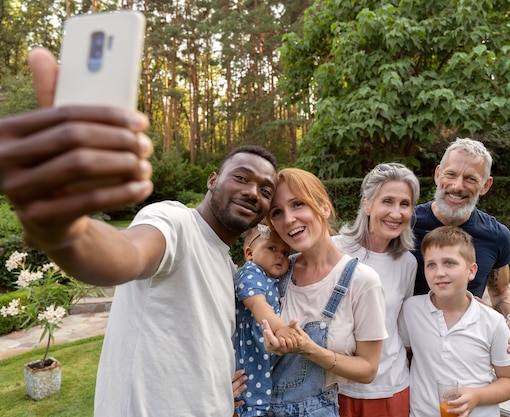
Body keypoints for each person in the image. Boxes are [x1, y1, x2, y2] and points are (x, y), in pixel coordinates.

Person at [0, 47, 278, 417]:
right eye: (241, 177)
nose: (252, 192)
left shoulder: (228, 269)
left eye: (265, 189)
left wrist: (217, 388)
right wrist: (66, 228)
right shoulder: (175, 222)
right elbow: (123, 255)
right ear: (213, 181)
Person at [261, 167, 388, 417]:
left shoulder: (362, 281)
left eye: (298, 204)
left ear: (324, 207)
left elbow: (368, 369)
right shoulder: (274, 274)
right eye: (277, 212)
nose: (288, 219)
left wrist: (310, 349)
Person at [411, 137, 510, 353]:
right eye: (451, 174)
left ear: (485, 185)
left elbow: (500, 290)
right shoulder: (406, 225)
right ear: (438, 175)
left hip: (465, 352)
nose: (457, 186)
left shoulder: (497, 236)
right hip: (407, 350)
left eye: (470, 179)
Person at [399, 226, 510, 417]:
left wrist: (476, 396)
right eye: (431, 265)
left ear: (471, 271)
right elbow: (406, 357)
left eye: (449, 263)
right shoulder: (411, 310)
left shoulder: (493, 322)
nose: (439, 272)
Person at [331, 163, 420, 417]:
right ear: (367, 205)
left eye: (404, 204)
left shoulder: (407, 262)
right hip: (337, 386)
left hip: (391, 388)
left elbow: (401, 329)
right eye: (387, 201)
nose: (396, 213)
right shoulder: (334, 249)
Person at [233, 220, 301, 417]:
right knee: (251, 403)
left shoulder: (272, 279)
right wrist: (280, 328)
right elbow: (257, 304)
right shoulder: (250, 272)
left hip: (261, 360)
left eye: (286, 253)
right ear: (249, 254)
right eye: (271, 248)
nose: (280, 255)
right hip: (247, 360)